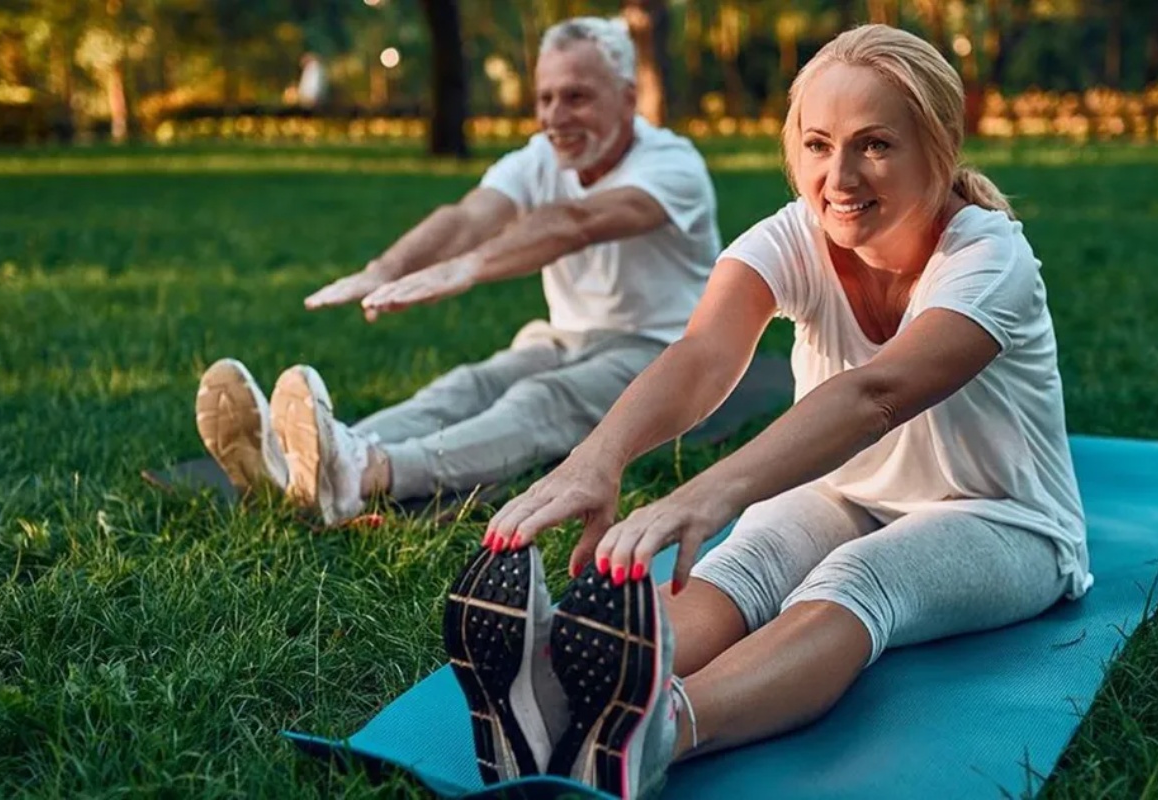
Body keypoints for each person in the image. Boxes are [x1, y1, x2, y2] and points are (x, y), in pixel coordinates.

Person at [445, 23, 1091, 798]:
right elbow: (703, 355)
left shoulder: (989, 260)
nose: (839, 176)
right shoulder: (796, 235)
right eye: (817, 145)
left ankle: (655, 734)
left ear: (940, 143)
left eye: (874, 145)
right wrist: (599, 459)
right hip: (845, 492)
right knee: (741, 563)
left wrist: (705, 493)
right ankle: (562, 702)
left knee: (859, 580)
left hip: (1004, 519)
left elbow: (874, 395)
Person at [193, 17, 720, 527]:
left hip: (665, 348)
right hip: (566, 337)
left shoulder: (673, 166)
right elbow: (469, 216)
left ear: (628, 98)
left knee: (543, 400)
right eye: (545, 98)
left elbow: (576, 222)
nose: (555, 117)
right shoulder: (541, 156)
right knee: (464, 387)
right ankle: (309, 455)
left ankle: (369, 473)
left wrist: (469, 268)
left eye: (576, 97)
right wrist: (383, 269)